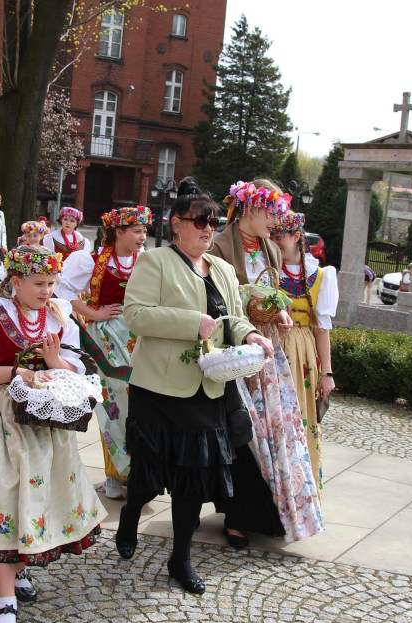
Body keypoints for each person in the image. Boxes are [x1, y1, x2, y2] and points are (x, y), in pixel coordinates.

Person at [115, 178, 271, 594]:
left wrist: (251, 334)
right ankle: (132, 513)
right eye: (198, 221)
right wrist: (190, 324)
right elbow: (136, 315)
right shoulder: (155, 262)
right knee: (148, 476)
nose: (206, 229)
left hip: (208, 392)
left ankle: (180, 560)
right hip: (160, 391)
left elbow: (231, 318)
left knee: (194, 481)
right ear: (176, 225)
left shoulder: (220, 268)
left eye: (212, 222)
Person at [0, 245, 101, 623]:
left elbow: (74, 368)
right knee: (5, 493)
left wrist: (54, 364)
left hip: (49, 420)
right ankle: (6, 598)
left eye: (52, 283)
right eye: (39, 283)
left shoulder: (58, 315)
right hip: (5, 417)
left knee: (36, 493)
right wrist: (20, 372)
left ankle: (19, 571)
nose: (47, 291)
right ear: (16, 282)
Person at [211, 178, 324, 548]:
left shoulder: (270, 250)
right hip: (237, 348)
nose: (278, 222)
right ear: (251, 208)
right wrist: (252, 309)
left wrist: (281, 313)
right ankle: (236, 515)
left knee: (273, 430)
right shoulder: (220, 246)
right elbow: (216, 302)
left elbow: (277, 296)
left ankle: (271, 509)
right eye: (273, 213)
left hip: (268, 351)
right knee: (243, 429)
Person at [56, 206, 148, 500]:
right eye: (136, 230)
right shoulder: (89, 260)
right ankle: (113, 473)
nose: (142, 236)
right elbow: (61, 290)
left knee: (140, 405)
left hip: (139, 339)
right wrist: (93, 313)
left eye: (144, 230)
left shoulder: (145, 261)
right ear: (118, 232)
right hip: (105, 340)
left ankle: (138, 470)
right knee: (111, 407)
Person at [270, 210, 339, 495]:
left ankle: (300, 493)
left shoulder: (321, 275)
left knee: (301, 420)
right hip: (272, 346)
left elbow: (322, 329)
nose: (275, 242)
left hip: (303, 354)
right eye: (272, 236)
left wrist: (327, 374)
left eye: (280, 236)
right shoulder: (267, 270)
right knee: (273, 421)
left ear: (297, 237)